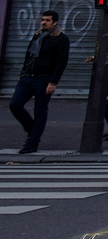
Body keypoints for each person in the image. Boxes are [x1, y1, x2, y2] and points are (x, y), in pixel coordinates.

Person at [11, 10, 69, 154]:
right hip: (27, 77)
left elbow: (61, 62)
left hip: (44, 79)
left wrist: (53, 82)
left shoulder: (60, 39)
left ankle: (32, 143)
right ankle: (31, 128)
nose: (43, 22)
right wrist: (22, 74)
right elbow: (28, 55)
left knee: (40, 111)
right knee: (15, 105)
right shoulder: (38, 35)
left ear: (55, 22)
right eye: (43, 20)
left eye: (47, 20)